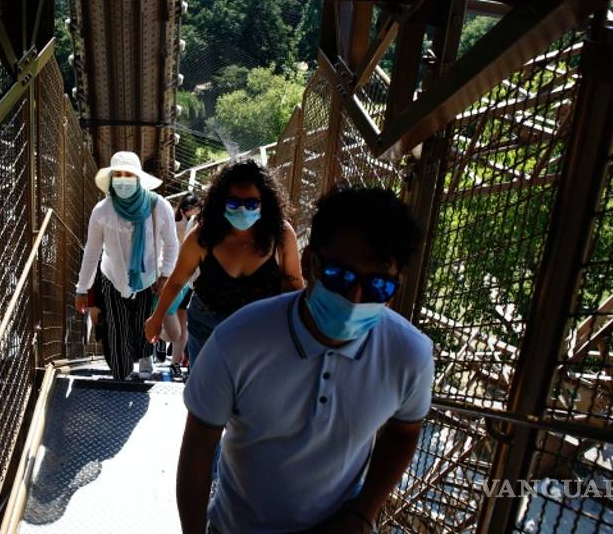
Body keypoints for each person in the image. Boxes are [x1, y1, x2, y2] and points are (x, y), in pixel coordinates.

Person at [175, 186, 434, 534]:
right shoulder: (238, 340)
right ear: (310, 262)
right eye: (339, 277)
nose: (355, 298)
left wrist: (363, 512)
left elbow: (406, 430)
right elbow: (197, 450)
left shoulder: (408, 354)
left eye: (378, 287)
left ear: (396, 285)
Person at [143, 160, 302, 367]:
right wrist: (156, 318)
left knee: (252, 393)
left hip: (261, 327)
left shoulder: (281, 234)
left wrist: (302, 327)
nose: (243, 210)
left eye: (252, 204)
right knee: (207, 393)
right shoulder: (202, 235)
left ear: (265, 203)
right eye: (234, 203)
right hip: (207, 327)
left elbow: (293, 283)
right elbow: (176, 281)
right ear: (221, 202)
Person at [76, 152, 179, 381]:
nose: (123, 179)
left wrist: (165, 275)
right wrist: (82, 289)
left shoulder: (158, 206)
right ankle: (121, 374)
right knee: (116, 326)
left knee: (144, 322)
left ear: (138, 178)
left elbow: (172, 244)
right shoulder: (102, 210)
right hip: (111, 277)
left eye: (128, 175)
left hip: (148, 277)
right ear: (111, 179)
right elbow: (92, 252)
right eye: (118, 175)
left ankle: (145, 358)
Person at [157, 193, 202, 373]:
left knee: (182, 326)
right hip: (173, 278)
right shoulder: (173, 225)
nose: (195, 212)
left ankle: (175, 362)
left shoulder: (199, 227)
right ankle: (161, 340)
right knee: (167, 319)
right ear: (184, 209)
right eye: (193, 208)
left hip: (189, 282)